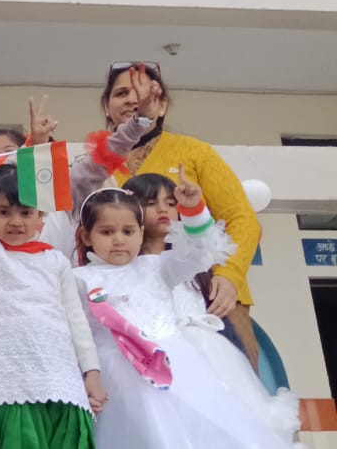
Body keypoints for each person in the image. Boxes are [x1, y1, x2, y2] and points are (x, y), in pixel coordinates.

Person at [72, 187, 292, 448]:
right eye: (107, 232)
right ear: (86, 236)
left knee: (205, 429)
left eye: (128, 231)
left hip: (178, 367)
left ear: (141, 232)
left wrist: (193, 210)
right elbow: (75, 333)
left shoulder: (157, 266)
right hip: (116, 378)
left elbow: (200, 253)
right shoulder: (77, 279)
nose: (119, 240)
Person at [99, 62, 262, 365]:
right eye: (121, 93)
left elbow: (242, 218)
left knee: (228, 383)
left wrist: (229, 275)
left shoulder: (195, 152)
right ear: (107, 108)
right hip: (129, 300)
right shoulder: (95, 164)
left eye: (143, 91)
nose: (133, 99)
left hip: (210, 294)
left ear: (161, 106)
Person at [125, 174, 301, 440]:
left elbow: (205, 245)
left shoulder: (190, 261)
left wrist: (194, 209)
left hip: (212, 353)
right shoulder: (124, 268)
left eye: (170, 203)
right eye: (150, 202)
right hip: (157, 356)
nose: (162, 209)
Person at [0, 156, 101, 449]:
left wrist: (92, 372)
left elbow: (76, 321)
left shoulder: (56, 260)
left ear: (41, 218)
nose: (15, 221)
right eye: (3, 212)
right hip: (6, 375)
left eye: (26, 213)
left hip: (59, 374)